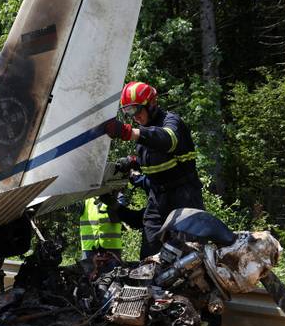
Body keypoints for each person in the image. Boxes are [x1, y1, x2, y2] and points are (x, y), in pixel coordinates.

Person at [104, 81, 204, 258]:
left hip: (184, 197)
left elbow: (168, 140)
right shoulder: (144, 129)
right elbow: (155, 159)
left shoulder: (171, 122)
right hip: (158, 199)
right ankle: (150, 284)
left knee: (188, 256)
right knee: (149, 256)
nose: (134, 117)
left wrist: (129, 133)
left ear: (151, 104)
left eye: (136, 110)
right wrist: (133, 162)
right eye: (128, 112)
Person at [78, 192, 143, 274]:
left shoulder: (119, 197)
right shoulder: (84, 198)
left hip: (112, 249)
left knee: (114, 279)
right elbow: (70, 208)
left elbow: (115, 218)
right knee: (88, 280)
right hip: (89, 249)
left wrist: (112, 200)